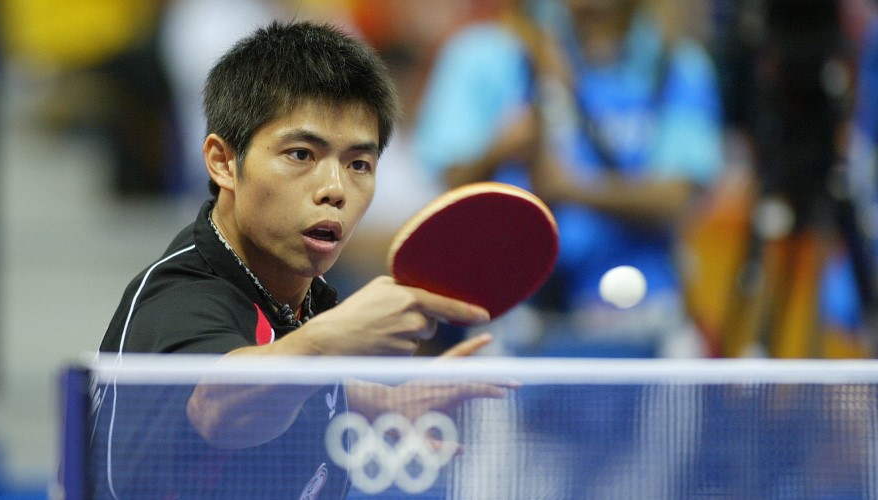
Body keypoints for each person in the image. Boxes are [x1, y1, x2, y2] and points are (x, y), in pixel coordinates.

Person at [92, 21, 506, 499]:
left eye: (359, 164)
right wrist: (328, 341)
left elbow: (283, 365)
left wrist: (381, 402)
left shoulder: (298, 298)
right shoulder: (181, 298)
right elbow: (219, 407)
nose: (335, 189)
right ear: (223, 162)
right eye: (301, 154)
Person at [414, 0, 723, 358]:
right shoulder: (489, 53)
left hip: (645, 315)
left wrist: (570, 188)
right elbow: (449, 182)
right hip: (515, 318)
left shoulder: (677, 64)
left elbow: (678, 197)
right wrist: (499, 150)